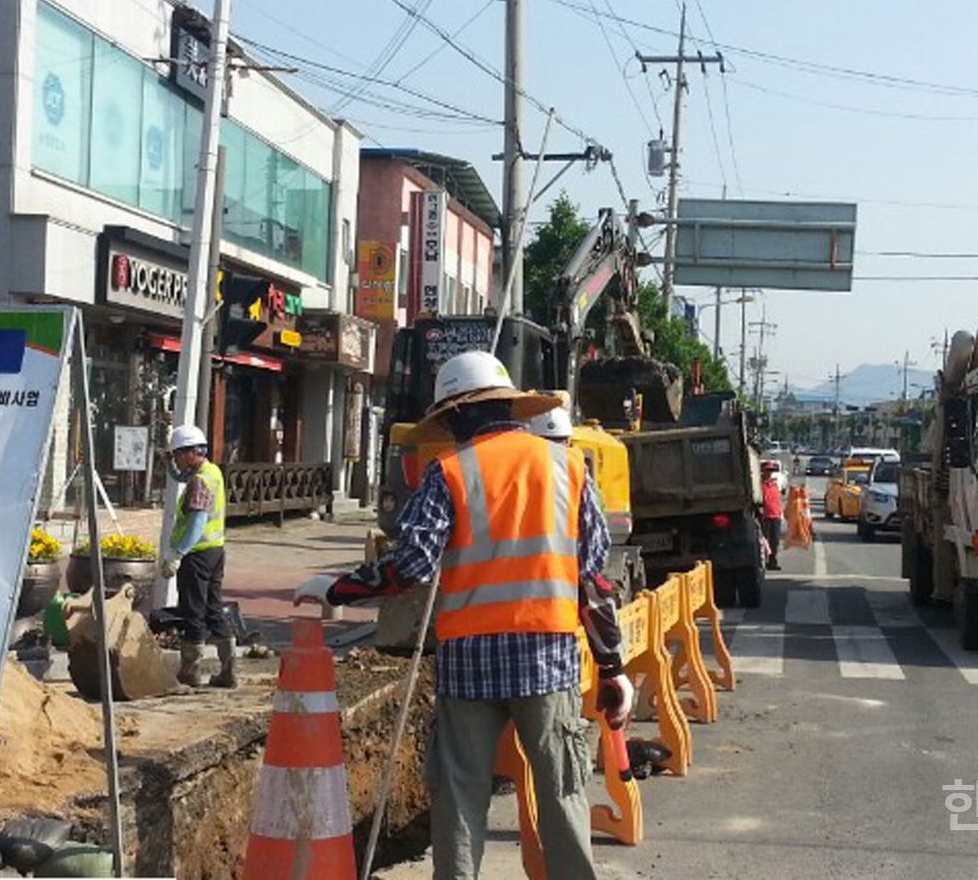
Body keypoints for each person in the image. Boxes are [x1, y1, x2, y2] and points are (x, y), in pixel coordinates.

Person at [295, 352, 631, 880]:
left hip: (468, 663)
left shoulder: (447, 472)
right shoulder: (569, 468)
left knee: (459, 793)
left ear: (454, 416)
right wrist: (612, 667)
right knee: (562, 789)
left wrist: (338, 586)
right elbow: (594, 580)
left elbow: (411, 566)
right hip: (548, 658)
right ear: (509, 407)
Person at [159, 424, 237, 689]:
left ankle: (190, 671)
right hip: (216, 551)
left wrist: (177, 554)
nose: (178, 460)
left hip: (197, 555)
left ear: (192, 452)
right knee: (214, 609)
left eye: (179, 455)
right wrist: (168, 465)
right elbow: (182, 477)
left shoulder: (200, 482)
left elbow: (197, 522)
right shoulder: (211, 471)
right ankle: (229, 671)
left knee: (193, 611)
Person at [759, 459, 785, 571]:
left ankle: (772, 561)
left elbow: (778, 500)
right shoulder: (760, 485)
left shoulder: (774, 484)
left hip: (776, 516)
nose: (769, 473)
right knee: (765, 541)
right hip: (765, 517)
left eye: (771, 470)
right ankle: (764, 561)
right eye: (767, 470)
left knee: (775, 541)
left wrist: (780, 513)